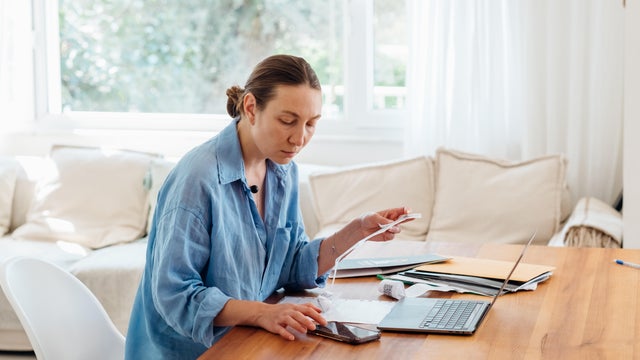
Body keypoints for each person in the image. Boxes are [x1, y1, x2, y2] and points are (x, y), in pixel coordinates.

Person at [124, 54, 410, 359]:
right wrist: (261, 313)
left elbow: (290, 265)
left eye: (311, 124)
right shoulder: (198, 180)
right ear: (251, 108)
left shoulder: (283, 170)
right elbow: (175, 296)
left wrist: (357, 231)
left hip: (248, 341)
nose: (299, 138)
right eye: (287, 121)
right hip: (192, 352)